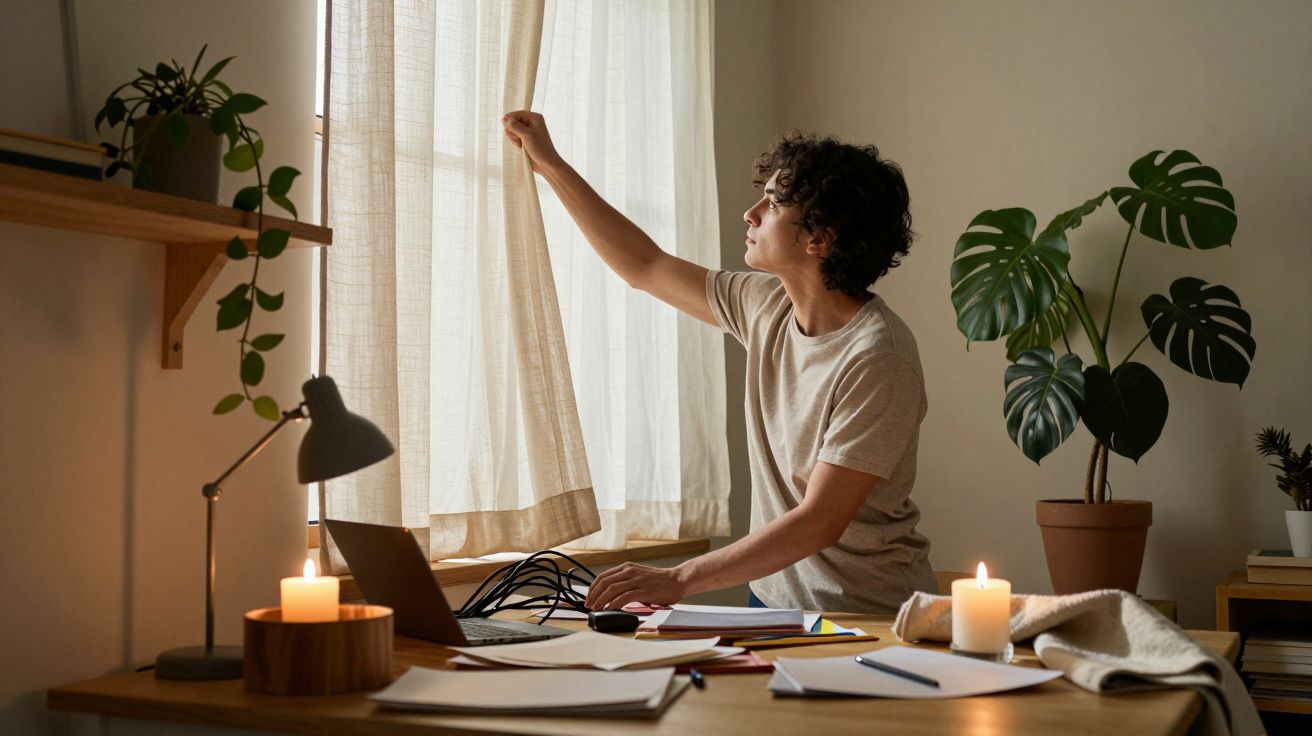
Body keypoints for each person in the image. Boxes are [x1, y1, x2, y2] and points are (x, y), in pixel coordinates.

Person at [501, 110, 935, 614]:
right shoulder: (765, 304)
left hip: (862, 613)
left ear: (820, 238)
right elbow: (645, 265)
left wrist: (679, 578)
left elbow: (820, 520)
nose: (750, 214)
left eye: (772, 204)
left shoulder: (878, 358)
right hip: (772, 601)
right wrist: (551, 166)